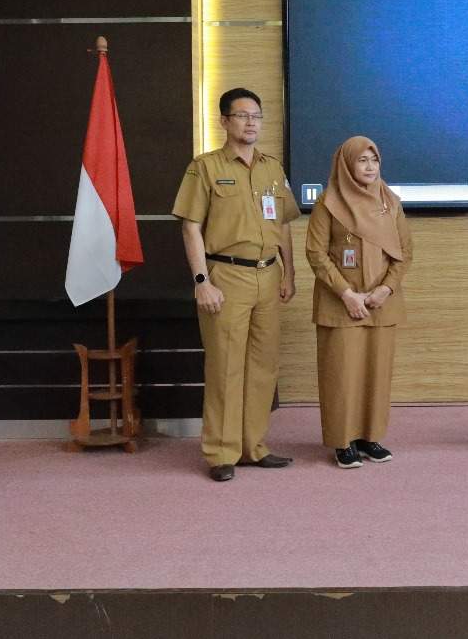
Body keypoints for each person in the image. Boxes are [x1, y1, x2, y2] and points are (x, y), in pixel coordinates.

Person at [172, 88, 298, 482]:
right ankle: (221, 453)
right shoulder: (204, 167)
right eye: (242, 116)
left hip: (268, 275)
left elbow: (282, 225)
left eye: (256, 116)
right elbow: (190, 226)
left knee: (263, 366)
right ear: (224, 121)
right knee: (225, 365)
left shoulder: (271, 168)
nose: (250, 123)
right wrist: (201, 282)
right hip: (225, 276)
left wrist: (289, 273)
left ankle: (254, 446)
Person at [306, 137, 412, 469]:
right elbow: (316, 253)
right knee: (342, 374)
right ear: (346, 166)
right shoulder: (328, 203)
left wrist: (386, 289)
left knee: (375, 374)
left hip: (381, 303)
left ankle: (370, 437)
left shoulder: (390, 202)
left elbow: (405, 253)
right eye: (361, 161)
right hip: (341, 304)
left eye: (374, 160)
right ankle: (343, 441)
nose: (369, 167)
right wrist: (346, 294)